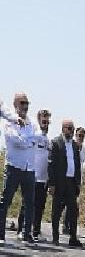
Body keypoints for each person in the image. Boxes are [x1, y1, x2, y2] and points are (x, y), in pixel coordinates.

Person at [0, 93, 37, 245]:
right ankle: (1, 235)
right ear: (15, 104)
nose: (25, 106)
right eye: (22, 103)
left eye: (27, 102)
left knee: (29, 203)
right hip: (14, 167)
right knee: (5, 201)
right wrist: (29, 141)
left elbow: (34, 137)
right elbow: (15, 140)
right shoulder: (9, 122)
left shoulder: (32, 122)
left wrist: (27, 140)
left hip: (29, 168)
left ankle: (26, 233)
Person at [48, 119, 83, 247]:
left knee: (73, 210)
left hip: (71, 182)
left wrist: (78, 182)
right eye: (69, 128)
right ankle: (55, 237)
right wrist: (51, 183)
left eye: (72, 129)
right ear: (63, 129)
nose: (71, 131)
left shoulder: (74, 145)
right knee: (56, 210)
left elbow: (77, 164)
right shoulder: (56, 143)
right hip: (59, 182)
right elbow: (51, 164)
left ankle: (73, 238)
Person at [18, 109, 51, 242]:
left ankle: (35, 231)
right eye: (43, 119)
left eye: (47, 120)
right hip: (32, 175)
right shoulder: (34, 134)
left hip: (43, 179)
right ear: (38, 119)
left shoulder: (47, 139)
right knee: (27, 204)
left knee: (39, 206)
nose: (45, 122)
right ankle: (21, 230)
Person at [63, 127, 85, 234]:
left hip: (78, 179)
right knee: (65, 203)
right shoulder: (70, 146)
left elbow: (81, 161)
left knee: (73, 204)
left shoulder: (84, 149)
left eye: (82, 136)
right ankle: (64, 225)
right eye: (78, 135)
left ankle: (69, 226)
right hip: (68, 178)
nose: (80, 138)